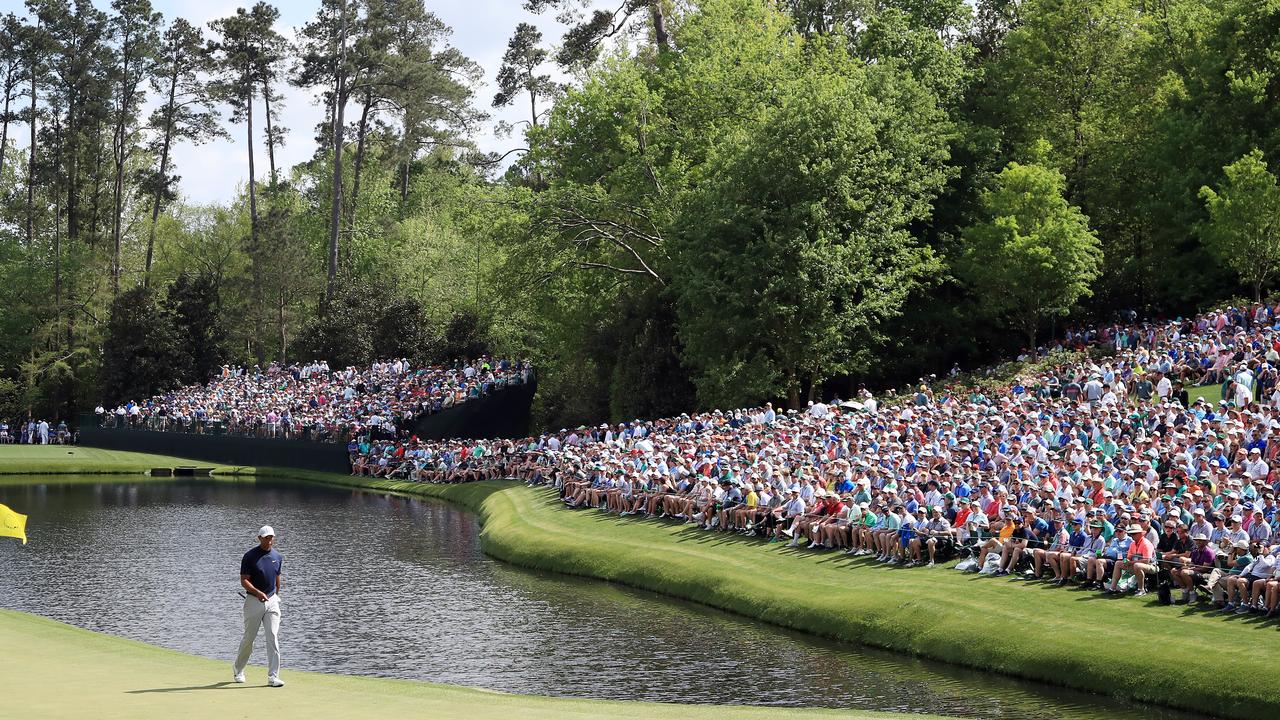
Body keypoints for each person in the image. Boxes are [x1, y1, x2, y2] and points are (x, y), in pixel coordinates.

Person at [233, 525, 285, 687]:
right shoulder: (250, 556)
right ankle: (238, 669)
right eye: (266, 537)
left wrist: (274, 596)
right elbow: (244, 581)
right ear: (259, 538)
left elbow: (277, 579)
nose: (269, 540)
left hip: (272, 602)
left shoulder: (277, 556)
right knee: (250, 638)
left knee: (273, 637)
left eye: (271, 537)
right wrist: (257, 593)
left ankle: (273, 677)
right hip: (253, 601)